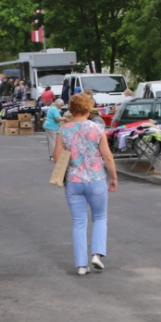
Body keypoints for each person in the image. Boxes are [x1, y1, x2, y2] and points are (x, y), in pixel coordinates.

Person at [53, 93, 118, 276]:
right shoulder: (97, 128)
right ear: (88, 109)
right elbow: (107, 156)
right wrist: (113, 177)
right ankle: (96, 255)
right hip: (96, 180)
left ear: (71, 110)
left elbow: (57, 158)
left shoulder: (64, 130)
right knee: (100, 218)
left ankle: (81, 265)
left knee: (79, 223)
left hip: (73, 182)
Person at [43, 96, 64, 160]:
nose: (62, 107)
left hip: (50, 126)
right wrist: (65, 119)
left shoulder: (52, 108)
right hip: (51, 126)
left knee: (51, 141)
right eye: (61, 105)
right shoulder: (54, 109)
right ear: (59, 104)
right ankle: (53, 156)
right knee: (53, 142)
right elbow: (57, 118)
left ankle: (52, 155)